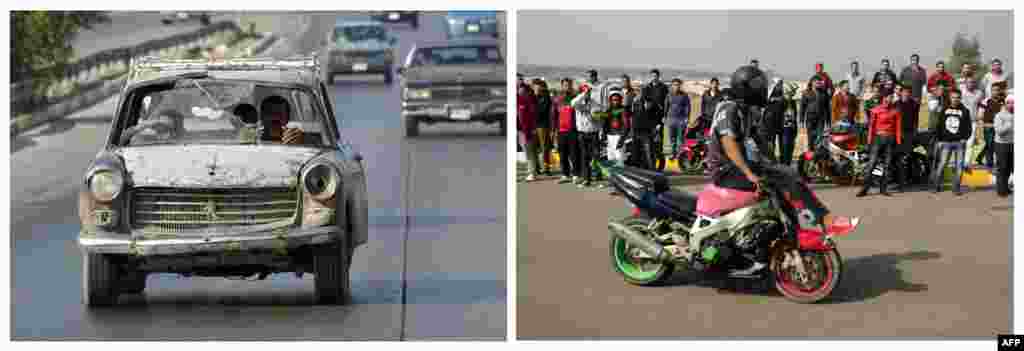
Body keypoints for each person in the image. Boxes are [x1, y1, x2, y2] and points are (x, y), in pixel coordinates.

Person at [701, 65, 858, 275]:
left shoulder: (747, 111)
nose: (762, 88)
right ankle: (825, 221)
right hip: (725, 170)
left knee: (788, 177)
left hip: (738, 167)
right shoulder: (729, 108)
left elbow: (759, 140)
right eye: (757, 85)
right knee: (781, 184)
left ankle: (793, 234)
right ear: (745, 86)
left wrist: (775, 165)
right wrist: (750, 173)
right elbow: (728, 143)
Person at [857, 94, 902, 197]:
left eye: (891, 97)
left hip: (890, 140)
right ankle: (864, 188)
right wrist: (869, 141)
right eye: (887, 97)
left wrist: (898, 142)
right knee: (871, 164)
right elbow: (871, 126)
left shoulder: (896, 111)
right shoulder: (875, 110)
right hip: (877, 139)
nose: (889, 99)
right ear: (883, 98)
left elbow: (898, 127)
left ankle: (883, 189)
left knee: (887, 165)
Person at [931, 89, 972, 195]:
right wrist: (939, 140)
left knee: (959, 166)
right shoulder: (944, 110)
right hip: (946, 142)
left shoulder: (965, 111)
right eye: (953, 97)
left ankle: (956, 187)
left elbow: (969, 128)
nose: (955, 99)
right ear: (950, 98)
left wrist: (965, 138)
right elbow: (939, 126)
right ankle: (936, 185)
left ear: (960, 98)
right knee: (942, 163)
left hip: (959, 143)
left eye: (957, 97)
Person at [571, 77, 602, 188]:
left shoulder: (595, 103)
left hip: (593, 133)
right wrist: (583, 94)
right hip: (582, 134)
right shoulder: (578, 103)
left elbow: (599, 117)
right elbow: (573, 103)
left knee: (596, 156)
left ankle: (598, 176)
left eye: (589, 92)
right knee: (584, 157)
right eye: (586, 92)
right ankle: (586, 179)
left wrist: (596, 117)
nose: (588, 94)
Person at [637, 69, 669, 169]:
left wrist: (664, 116)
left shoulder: (663, 87)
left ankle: (661, 165)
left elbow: (667, 103)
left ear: (658, 76)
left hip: (659, 118)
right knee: (649, 144)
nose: (654, 77)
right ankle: (651, 166)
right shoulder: (647, 87)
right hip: (648, 118)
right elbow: (643, 101)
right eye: (652, 76)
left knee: (658, 143)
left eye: (655, 76)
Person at [893, 84, 921, 190]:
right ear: (901, 93)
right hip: (898, 133)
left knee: (907, 157)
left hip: (909, 133)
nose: (906, 94)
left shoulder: (914, 104)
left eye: (908, 92)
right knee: (897, 158)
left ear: (910, 94)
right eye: (904, 92)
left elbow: (916, 119)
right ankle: (898, 180)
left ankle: (908, 179)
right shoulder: (896, 104)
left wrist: (915, 131)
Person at [977, 81, 1009, 169]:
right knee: (989, 145)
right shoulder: (986, 101)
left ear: (1000, 91)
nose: (995, 92)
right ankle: (989, 165)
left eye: (997, 90)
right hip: (988, 127)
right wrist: (981, 125)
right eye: (993, 90)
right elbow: (980, 115)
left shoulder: (1004, 101)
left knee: (997, 146)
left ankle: (982, 158)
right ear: (991, 91)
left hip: (999, 128)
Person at [554, 78, 579, 184]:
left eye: (568, 85)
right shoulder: (558, 99)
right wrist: (554, 129)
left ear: (571, 85)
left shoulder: (575, 98)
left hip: (573, 130)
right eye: (565, 85)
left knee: (574, 154)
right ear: (562, 86)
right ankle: (565, 174)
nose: (567, 87)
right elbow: (554, 114)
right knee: (562, 154)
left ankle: (576, 174)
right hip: (561, 131)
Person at [800, 76, 830, 151]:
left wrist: (828, 122)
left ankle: (817, 155)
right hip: (810, 118)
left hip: (821, 119)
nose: (818, 83)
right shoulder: (806, 93)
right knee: (810, 138)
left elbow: (827, 108)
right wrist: (801, 121)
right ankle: (811, 154)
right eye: (817, 82)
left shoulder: (824, 93)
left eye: (819, 82)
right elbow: (802, 108)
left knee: (819, 137)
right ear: (812, 82)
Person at [760, 77, 786, 163]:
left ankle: (783, 160)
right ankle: (771, 158)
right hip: (769, 122)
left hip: (780, 121)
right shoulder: (769, 95)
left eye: (781, 84)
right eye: (779, 84)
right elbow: (764, 104)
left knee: (782, 142)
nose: (780, 86)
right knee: (771, 141)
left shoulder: (782, 95)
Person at [665, 78, 691, 159]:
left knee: (680, 139)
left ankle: (680, 155)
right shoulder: (669, 95)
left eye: (678, 85)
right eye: (675, 85)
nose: (676, 86)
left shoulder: (684, 95)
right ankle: (673, 153)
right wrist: (665, 116)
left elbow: (688, 107)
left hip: (681, 119)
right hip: (671, 119)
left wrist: (687, 117)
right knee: (672, 138)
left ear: (680, 86)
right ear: (672, 86)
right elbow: (666, 106)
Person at [533, 80, 555, 177]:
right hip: (532, 125)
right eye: (535, 87)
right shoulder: (531, 97)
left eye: (538, 87)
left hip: (542, 125)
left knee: (544, 148)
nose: (536, 88)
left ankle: (546, 168)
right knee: (534, 148)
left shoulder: (546, 97)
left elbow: (542, 111)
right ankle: (536, 168)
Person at [517, 82, 539, 181]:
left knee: (530, 152)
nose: (520, 91)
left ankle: (532, 172)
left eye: (522, 89)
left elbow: (533, 118)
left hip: (528, 131)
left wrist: (533, 129)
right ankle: (529, 172)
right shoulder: (517, 101)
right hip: (519, 131)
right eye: (519, 89)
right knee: (526, 152)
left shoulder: (530, 102)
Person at [994, 95, 1014, 197]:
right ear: (1005, 104)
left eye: (1013, 102)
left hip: (1013, 144)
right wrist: (1008, 125)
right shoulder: (999, 115)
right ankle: (1001, 190)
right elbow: (999, 131)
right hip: (1001, 144)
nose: (1011, 105)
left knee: (1010, 167)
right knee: (1002, 168)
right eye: (1009, 103)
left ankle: (1006, 187)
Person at [960, 78, 986, 154]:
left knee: (970, 142)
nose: (971, 84)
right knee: (961, 141)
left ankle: (966, 162)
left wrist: (980, 114)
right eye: (969, 82)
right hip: (961, 120)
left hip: (973, 121)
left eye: (972, 82)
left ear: (975, 84)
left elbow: (982, 105)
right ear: (965, 83)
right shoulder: (961, 92)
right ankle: (959, 159)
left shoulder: (979, 93)